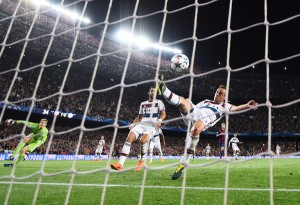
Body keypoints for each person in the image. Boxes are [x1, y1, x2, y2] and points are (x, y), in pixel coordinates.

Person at [157, 74, 258, 180]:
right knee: (184, 101)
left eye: (221, 93)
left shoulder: (225, 106)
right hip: (194, 114)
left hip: (204, 120)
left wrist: (247, 105)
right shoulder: (206, 101)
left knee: (196, 129)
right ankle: (163, 88)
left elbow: (236, 108)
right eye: (217, 92)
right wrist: (188, 104)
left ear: (224, 97)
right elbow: (195, 108)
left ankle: (183, 162)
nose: (217, 94)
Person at [111, 86, 166, 171]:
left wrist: (159, 120)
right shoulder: (143, 104)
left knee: (143, 140)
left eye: (154, 91)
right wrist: (133, 124)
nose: (153, 92)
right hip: (141, 125)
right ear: (149, 92)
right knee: (129, 138)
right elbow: (140, 117)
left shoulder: (159, 102)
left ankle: (142, 161)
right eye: (151, 91)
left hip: (151, 127)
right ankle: (120, 164)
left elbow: (163, 114)